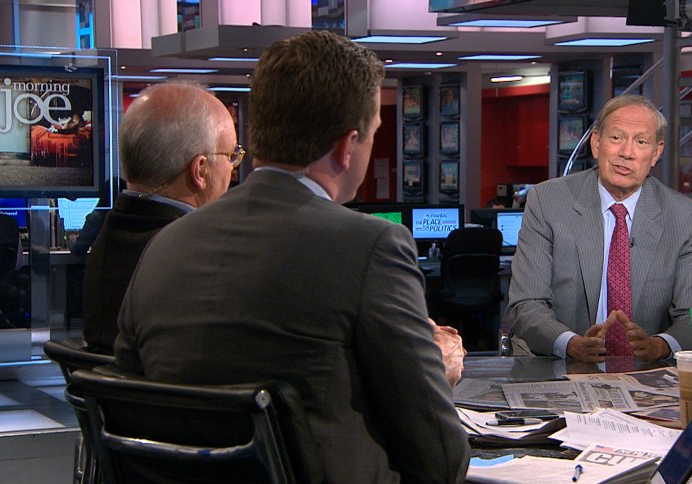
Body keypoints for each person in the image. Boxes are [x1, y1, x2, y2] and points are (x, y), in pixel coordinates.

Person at [114, 31, 469, 482]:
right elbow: (441, 460)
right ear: (346, 146)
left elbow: (125, 408)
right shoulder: (373, 246)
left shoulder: (165, 243)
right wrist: (435, 372)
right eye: (374, 134)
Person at [506, 94, 692, 364]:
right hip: (557, 363)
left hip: (645, 372)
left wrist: (658, 346)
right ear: (596, 143)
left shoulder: (685, 217)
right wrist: (570, 343)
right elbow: (525, 305)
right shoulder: (547, 202)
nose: (626, 153)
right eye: (616, 138)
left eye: (641, 142)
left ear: (656, 153)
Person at [82, 81, 239, 355]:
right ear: (200, 170)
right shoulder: (203, 256)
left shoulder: (110, 235)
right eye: (232, 155)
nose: (234, 168)